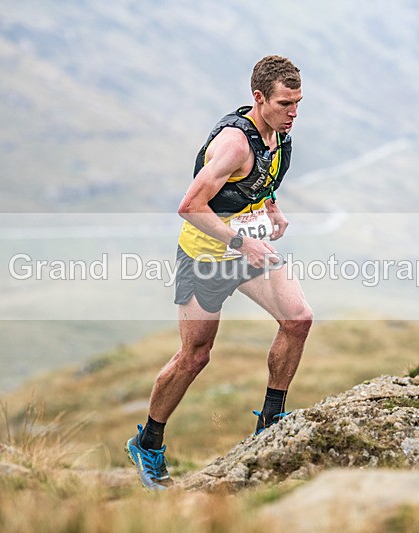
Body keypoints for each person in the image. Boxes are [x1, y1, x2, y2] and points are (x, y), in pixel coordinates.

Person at [126, 55, 313, 491]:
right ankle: (148, 443)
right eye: (285, 103)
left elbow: (261, 183)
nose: (294, 112)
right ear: (259, 98)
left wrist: (273, 211)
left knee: (298, 319)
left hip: (245, 249)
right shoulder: (234, 144)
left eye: (299, 102)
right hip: (205, 257)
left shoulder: (281, 135)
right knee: (195, 356)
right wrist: (241, 242)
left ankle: (270, 422)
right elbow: (189, 207)